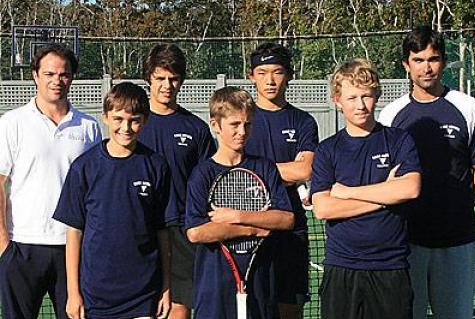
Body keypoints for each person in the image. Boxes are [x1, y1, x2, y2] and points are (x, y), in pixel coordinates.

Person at [378, 26, 475, 319]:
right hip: (406, 242)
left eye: (433, 59)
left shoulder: (468, 107)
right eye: (418, 60)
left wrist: (460, 204)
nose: (427, 67)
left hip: (457, 239)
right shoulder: (391, 115)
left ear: (444, 62)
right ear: (406, 65)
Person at [311, 58, 422, 319]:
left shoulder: (398, 140)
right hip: (341, 268)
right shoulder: (328, 150)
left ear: (377, 96)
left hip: (390, 268)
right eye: (352, 97)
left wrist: (347, 192)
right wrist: (385, 195)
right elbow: (323, 208)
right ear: (338, 101)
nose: (360, 105)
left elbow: (410, 189)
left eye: (366, 96)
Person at [53, 82, 171, 319]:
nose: (125, 128)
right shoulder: (84, 167)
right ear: (105, 118)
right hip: (96, 295)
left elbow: (163, 233)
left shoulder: (156, 166)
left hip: (143, 294)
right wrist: (73, 293)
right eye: (118, 119)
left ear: (145, 120)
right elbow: (74, 233)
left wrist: (166, 288)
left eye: (134, 120)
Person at [0, 44, 101, 319]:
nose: (57, 80)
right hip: (22, 247)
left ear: (72, 78)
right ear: (35, 75)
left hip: (73, 248)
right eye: (49, 73)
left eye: (64, 74)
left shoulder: (88, 127)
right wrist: (4, 245)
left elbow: (94, 190)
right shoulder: (12, 123)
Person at [185, 86, 295, 318]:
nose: (242, 132)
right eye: (234, 124)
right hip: (213, 291)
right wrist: (254, 228)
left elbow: (286, 218)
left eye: (247, 124)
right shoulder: (202, 173)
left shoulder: (265, 168)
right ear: (215, 125)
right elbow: (196, 233)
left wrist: (236, 217)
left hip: (261, 285)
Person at [139, 43, 216, 319]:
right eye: (160, 78)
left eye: (173, 78)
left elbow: (210, 183)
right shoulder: (132, 125)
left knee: (177, 312)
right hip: (140, 231)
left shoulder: (195, 128)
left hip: (182, 232)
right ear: (149, 79)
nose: (167, 85)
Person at [245, 42, 319, 318]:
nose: (270, 80)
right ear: (252, 76)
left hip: (292, 231)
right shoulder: (242, 118)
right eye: (262, 72)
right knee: (252, 308)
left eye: (277, 72)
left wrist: (254, 170)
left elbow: (304, 171)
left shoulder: (303, 121)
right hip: (249, 228)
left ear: (288, 74)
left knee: (290, 309)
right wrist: (283, 171)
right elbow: (233, 172)